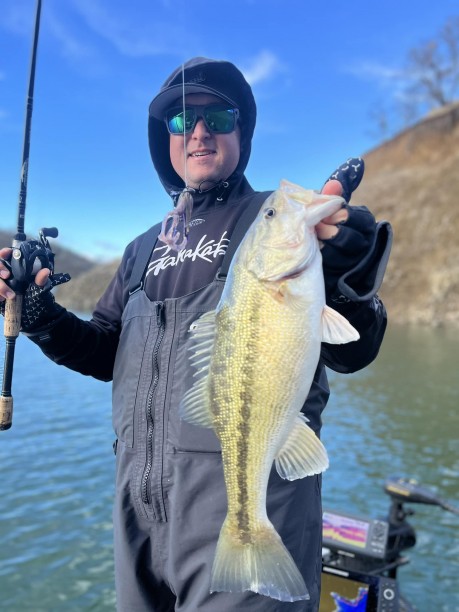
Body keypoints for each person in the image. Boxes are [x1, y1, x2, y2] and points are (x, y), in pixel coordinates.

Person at [0, 57, 391, 611]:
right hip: (139, 513)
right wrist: (42, 318)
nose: (200, 131)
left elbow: (354, 351)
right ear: (167, 141)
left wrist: (348, 276)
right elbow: (109, 352)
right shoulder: (141, 249)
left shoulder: (269, 222)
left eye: (219, 116)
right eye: (183, 121)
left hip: (250, 499)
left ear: (242, 131)